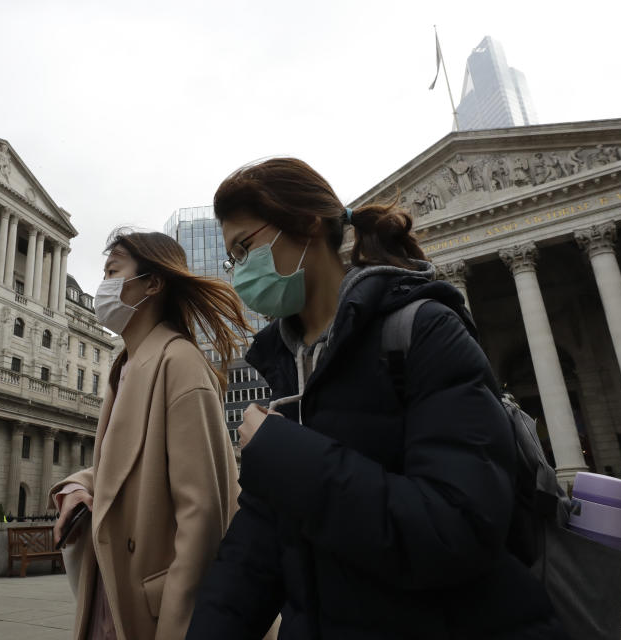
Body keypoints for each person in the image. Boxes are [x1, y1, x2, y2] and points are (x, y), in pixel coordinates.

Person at [186, 158, 567, 639]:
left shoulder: (424, 329)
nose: (241, 273)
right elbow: (255, 551)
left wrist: (281, 453)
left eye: (246, 249)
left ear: (307, 223)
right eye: (233, 260)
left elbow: (457, 530)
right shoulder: (288, 367)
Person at [50, 229, 249, 640]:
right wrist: (76, 486)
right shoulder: (124, 367)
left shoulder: (179, 362)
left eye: (112, 271)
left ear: (153, 283)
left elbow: (203, 515)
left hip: (157, 610)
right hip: (111, 593)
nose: (102, 285)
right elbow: (130, 467)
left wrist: (178, 627)